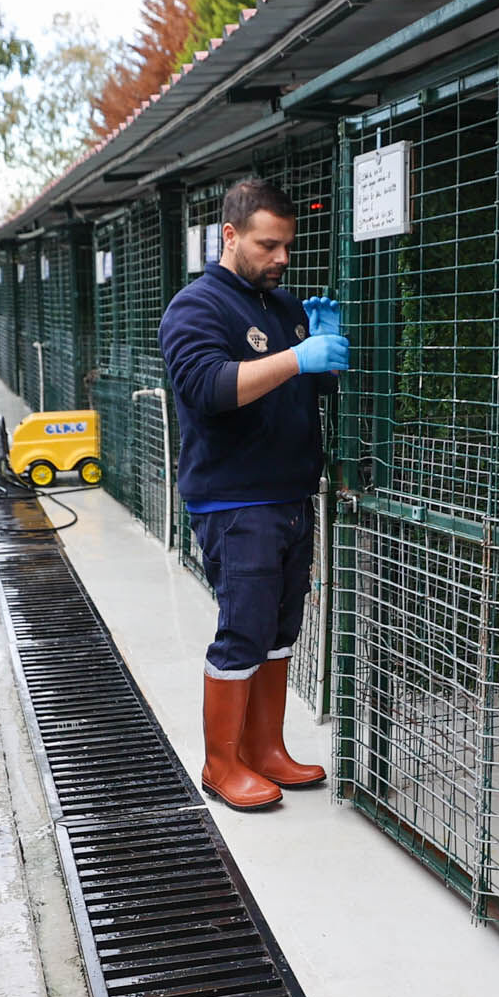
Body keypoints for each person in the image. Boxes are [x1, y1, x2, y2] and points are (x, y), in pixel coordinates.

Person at [158, 176, 347, 810]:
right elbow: (208, 388)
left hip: (292, 495)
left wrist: (323, 358)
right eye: (268, 246)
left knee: (280, 629)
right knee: (242, 630)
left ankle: (266, 750)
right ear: (230, 235)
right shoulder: (196, 307)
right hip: (235, 502)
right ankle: (220, 764)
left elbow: (303, 390)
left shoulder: (284, 306)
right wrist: (298, 358)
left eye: (287, 246)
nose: (281, 259)